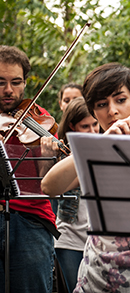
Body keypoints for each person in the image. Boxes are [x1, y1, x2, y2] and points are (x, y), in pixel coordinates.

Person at [41, 63, 130, 293]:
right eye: (101, 105)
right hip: (99, 276)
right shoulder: (94, 150)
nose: (112, 111)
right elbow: (49, 186)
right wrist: (99, 143)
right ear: (93, 111)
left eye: (120, 100)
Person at [0, 45, 58, 292]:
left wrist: (47, 156)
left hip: (30, 220)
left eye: (16, 82)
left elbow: (48, 184)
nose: (8, 91)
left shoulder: (38, 119)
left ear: (25, 83)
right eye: (0, 82)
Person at [41, 97, 99, 292]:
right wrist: (49, 157)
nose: (92, 131)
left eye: (95, 124)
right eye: (85, 126)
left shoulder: (105, 150)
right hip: (71, 240)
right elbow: (49, 188)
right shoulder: (65, 157)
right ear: (72, 127)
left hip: (100, 241)